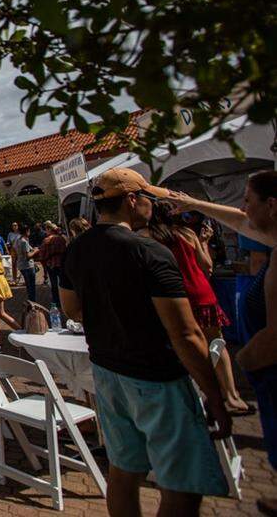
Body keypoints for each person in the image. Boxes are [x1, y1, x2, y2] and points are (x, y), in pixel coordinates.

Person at [60, 168, 229, 515]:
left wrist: (109, 314)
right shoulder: (148, 251)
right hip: (157, 375)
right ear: (133, 201)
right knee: (182, 483)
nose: (152, 205)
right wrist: (215, 393)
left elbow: (71, 308)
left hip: (106, 369)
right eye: (148, 198)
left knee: (123, 470)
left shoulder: (77, 250)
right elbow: (185, 332)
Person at [168, 171, 277, 515]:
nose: (243, 208)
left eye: (248, 200)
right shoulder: (271, 237)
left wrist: (248, 359)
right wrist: (192, 202)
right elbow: (243, 223)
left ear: (271, 206)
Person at [142, 202, 250, 414]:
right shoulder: (187, 234)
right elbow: (206, 265)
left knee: (189, 346)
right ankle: (231, 394)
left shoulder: (151, 239)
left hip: (176, 297)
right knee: (216, 343)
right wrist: (203, 241)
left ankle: (208, 393)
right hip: (202, 292)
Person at [35, 222, 68, 307]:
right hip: (62, 263)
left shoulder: (47, 240)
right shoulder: (62, 238)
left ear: (49, 229)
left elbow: (42, 255)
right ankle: (64, 300)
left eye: (46, 229)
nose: (45, 231)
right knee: (63, 282)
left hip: (51, 264)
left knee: (54, 284)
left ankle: (57, 301)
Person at [11, 224, 38, 302]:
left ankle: (30, 301)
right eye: (29, 231)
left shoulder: (17, 240)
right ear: (26, 231)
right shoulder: (24, 242)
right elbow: (28, 256)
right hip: (28, 266)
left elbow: (15, 252)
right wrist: (36, 251)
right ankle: (32, 302)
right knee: (31, 286)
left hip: (21, 265)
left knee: (28, 285)